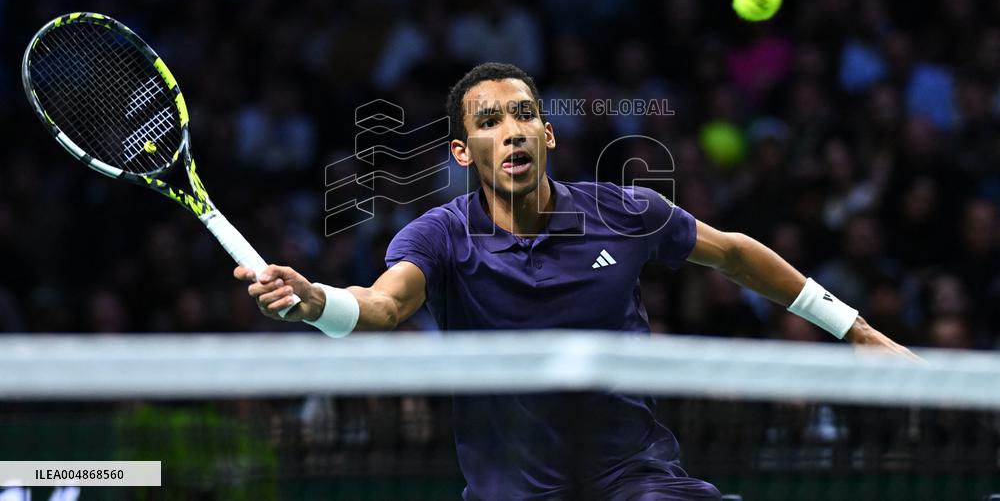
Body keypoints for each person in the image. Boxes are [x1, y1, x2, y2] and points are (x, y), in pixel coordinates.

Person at [235, 62, 917, 501]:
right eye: (489, 121)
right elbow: (383, 306)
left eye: (526, 114)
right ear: (461, 150)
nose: (513, 132)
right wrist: (314, 302)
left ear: (549, 135)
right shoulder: (439, 234)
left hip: (635, 483)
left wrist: (854, 329)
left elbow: (736, 254)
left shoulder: (624, 212)